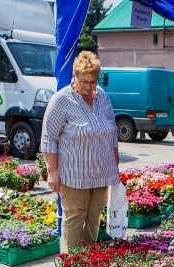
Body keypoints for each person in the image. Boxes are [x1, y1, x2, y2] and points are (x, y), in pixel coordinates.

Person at [40, 51, 119, 253]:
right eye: (84, 81)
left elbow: (112, 132)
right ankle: (70, 263)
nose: (89, 87)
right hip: (74, 175)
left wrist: (115, 166)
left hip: (101, 173)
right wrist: (53, 173)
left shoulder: (102, 97)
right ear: (74, 76)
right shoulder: (61, 100)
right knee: (75, 218)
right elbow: (49, 138)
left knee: (94, 218)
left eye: (93, 82)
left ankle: (87, 262)